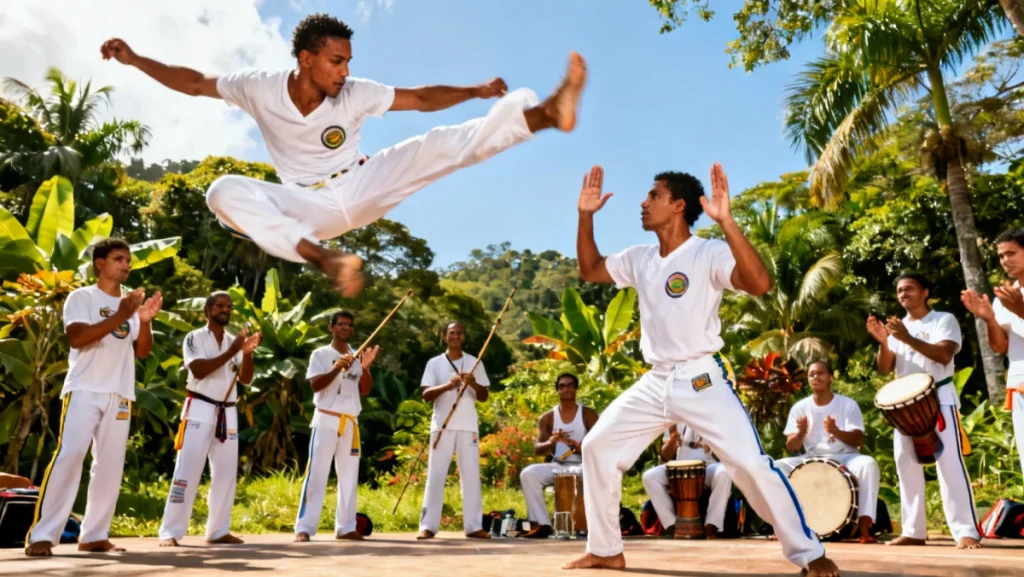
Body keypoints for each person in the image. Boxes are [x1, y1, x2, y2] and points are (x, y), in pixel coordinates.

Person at [99, 13, 587, 297]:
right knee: (222, 190)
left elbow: (418, 98)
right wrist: (136, 58)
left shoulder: (355, 92)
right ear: (306, 59)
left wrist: (475, 90)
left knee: (440, 145)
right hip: (306, 208)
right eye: (336, 61)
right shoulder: (259, 88)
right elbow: (193, 83)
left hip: (362, 182)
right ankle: (323, 258)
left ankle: (544, 114)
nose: (344, 71)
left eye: (349, 61)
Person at [562, 164, 837, 576]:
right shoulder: (639, 258)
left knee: (749, 464)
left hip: (700, 377)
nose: (643, 202)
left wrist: (727, 222)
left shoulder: (707, 252)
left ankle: (809, 553)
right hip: (655, 380)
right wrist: (586, 216)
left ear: (678, 206)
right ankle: (605, 549)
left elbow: (759, 283)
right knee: (597, 447)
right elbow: (590, 269)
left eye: (653, 196)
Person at [25, 238, 162, 557]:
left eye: (128, 260)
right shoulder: (82, 297)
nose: (126, 265)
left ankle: (95, 534)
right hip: (85, 389)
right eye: (119, 259)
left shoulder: (129, 306)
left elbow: (142, 351)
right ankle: (43, 534)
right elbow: (77, 338)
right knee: (70, 455)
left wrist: (143, 322)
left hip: (121, 392)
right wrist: (122, 314)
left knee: (111, 465)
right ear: (100, 263)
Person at [866, 272, 981, 549]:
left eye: (909, 289)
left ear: (925, 292)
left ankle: (965, 530)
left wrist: (905, 338)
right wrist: (884, 342)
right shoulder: (898, 327)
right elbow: (885, 367)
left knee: (949, 463)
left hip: (938, 397)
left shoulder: (943, 320)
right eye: (900, 291)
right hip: (904, 402)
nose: (903, 294)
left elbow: (943, 354)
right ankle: (914, 530)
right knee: (905, 464)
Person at [158, 291, 262, 547]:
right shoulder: (194, 337)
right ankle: (170, 531)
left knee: (226, 474)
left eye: (228, 306)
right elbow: (199, 370)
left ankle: (218, 530)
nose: (225, 310)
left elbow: (246, 379)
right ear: (207, 309)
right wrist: (234, 350)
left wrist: (247, 353)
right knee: (186, 471)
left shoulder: (233, 340)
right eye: (219, 305)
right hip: (199, 407)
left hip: (228, 411)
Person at [295, 311, 379, 542]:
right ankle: (304, 528)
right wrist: (336, 368)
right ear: (331, 327)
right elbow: (316, 386)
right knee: (317, 475)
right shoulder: (321, 354)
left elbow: (366, 390)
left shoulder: (356, 354)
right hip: (326, 418)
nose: (345, 328)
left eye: (349, 325)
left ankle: (346, 526)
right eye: (341, 324)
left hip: (351, 420)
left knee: (349, 476)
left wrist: (365, 367)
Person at [777, 361, 880, 544]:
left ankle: (865, 528)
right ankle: (784, 527)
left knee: (868, 464)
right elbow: (791, 447)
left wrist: (835, 431)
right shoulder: (800, 408)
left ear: (830, 377)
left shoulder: (847, 405)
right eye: (811, 375)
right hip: (811, 458)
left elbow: (858, 440)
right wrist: (800, 433)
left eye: (820, 373)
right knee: (776, 468)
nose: (815, 377)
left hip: (846, 457)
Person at [417, 321, 490, 540]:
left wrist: (474, 384)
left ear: (464, 337)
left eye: (459, 333)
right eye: (451, 333)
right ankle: (428, 525)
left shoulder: (475, 362)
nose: (455, 336)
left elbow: (484, 397)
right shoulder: (435, 363)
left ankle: (474, 526)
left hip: (468, 427)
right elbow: (426, 395)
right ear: (444, 337)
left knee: (471, 477)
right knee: (436, 475)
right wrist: (448, 386)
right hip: (442, 425)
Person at [962, 228, 1024, 475]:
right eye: (1000, 256)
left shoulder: (1013, 299)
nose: (1005, 260)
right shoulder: (1005, 297)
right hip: (1019, 386)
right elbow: (999, 347)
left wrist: (1021, 310)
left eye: (1011, 253)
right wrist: (988, 319)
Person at [519, 373, 599, 539]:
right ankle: (542, 524)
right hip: (558, 465)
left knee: (586, 475)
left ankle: (582, 525)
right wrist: (551, 442)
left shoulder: (588, 414)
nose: (566, 389)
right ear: (557, 391)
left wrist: (578, 447)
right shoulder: (548, 418)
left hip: (583, 466)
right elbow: (537, 450)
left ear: (576, 389)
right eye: (562, 386)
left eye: (570, 385)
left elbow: (600, 446)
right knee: (528, 474)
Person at [641, 422, 733, 539]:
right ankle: (672, 525)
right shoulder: (674, 417)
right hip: (679, 468)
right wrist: (672, 441)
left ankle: (711, 525)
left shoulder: (713, 416)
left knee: (724, 473)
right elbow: (665, 456)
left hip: (709, 468)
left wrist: (712, 445)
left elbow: (725, 454)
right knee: (649, 476)